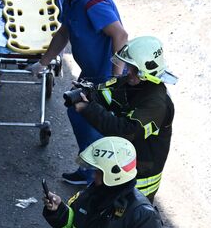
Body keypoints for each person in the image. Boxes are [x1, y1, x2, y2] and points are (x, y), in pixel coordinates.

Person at [34, 0, 130, 186]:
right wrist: (43, 62)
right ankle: (89, 171)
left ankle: (98, 179)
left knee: (90, 119)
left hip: (105, 76)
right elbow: (64, 32)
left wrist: (116, 79)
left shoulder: (91, 1)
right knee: (77, 113)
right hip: (91, 73)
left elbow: (120, 35)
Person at [71, 36, 176, 198]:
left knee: (130, 219)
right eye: (128, 66)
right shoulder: (135, 83)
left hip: (140, 178)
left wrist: (87, 108)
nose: (128, 72)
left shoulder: (157, 104)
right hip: (122, 165)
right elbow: (109, 93)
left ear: (146, 71)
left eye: (133, 68)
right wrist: (88, 93)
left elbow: (125, 131)